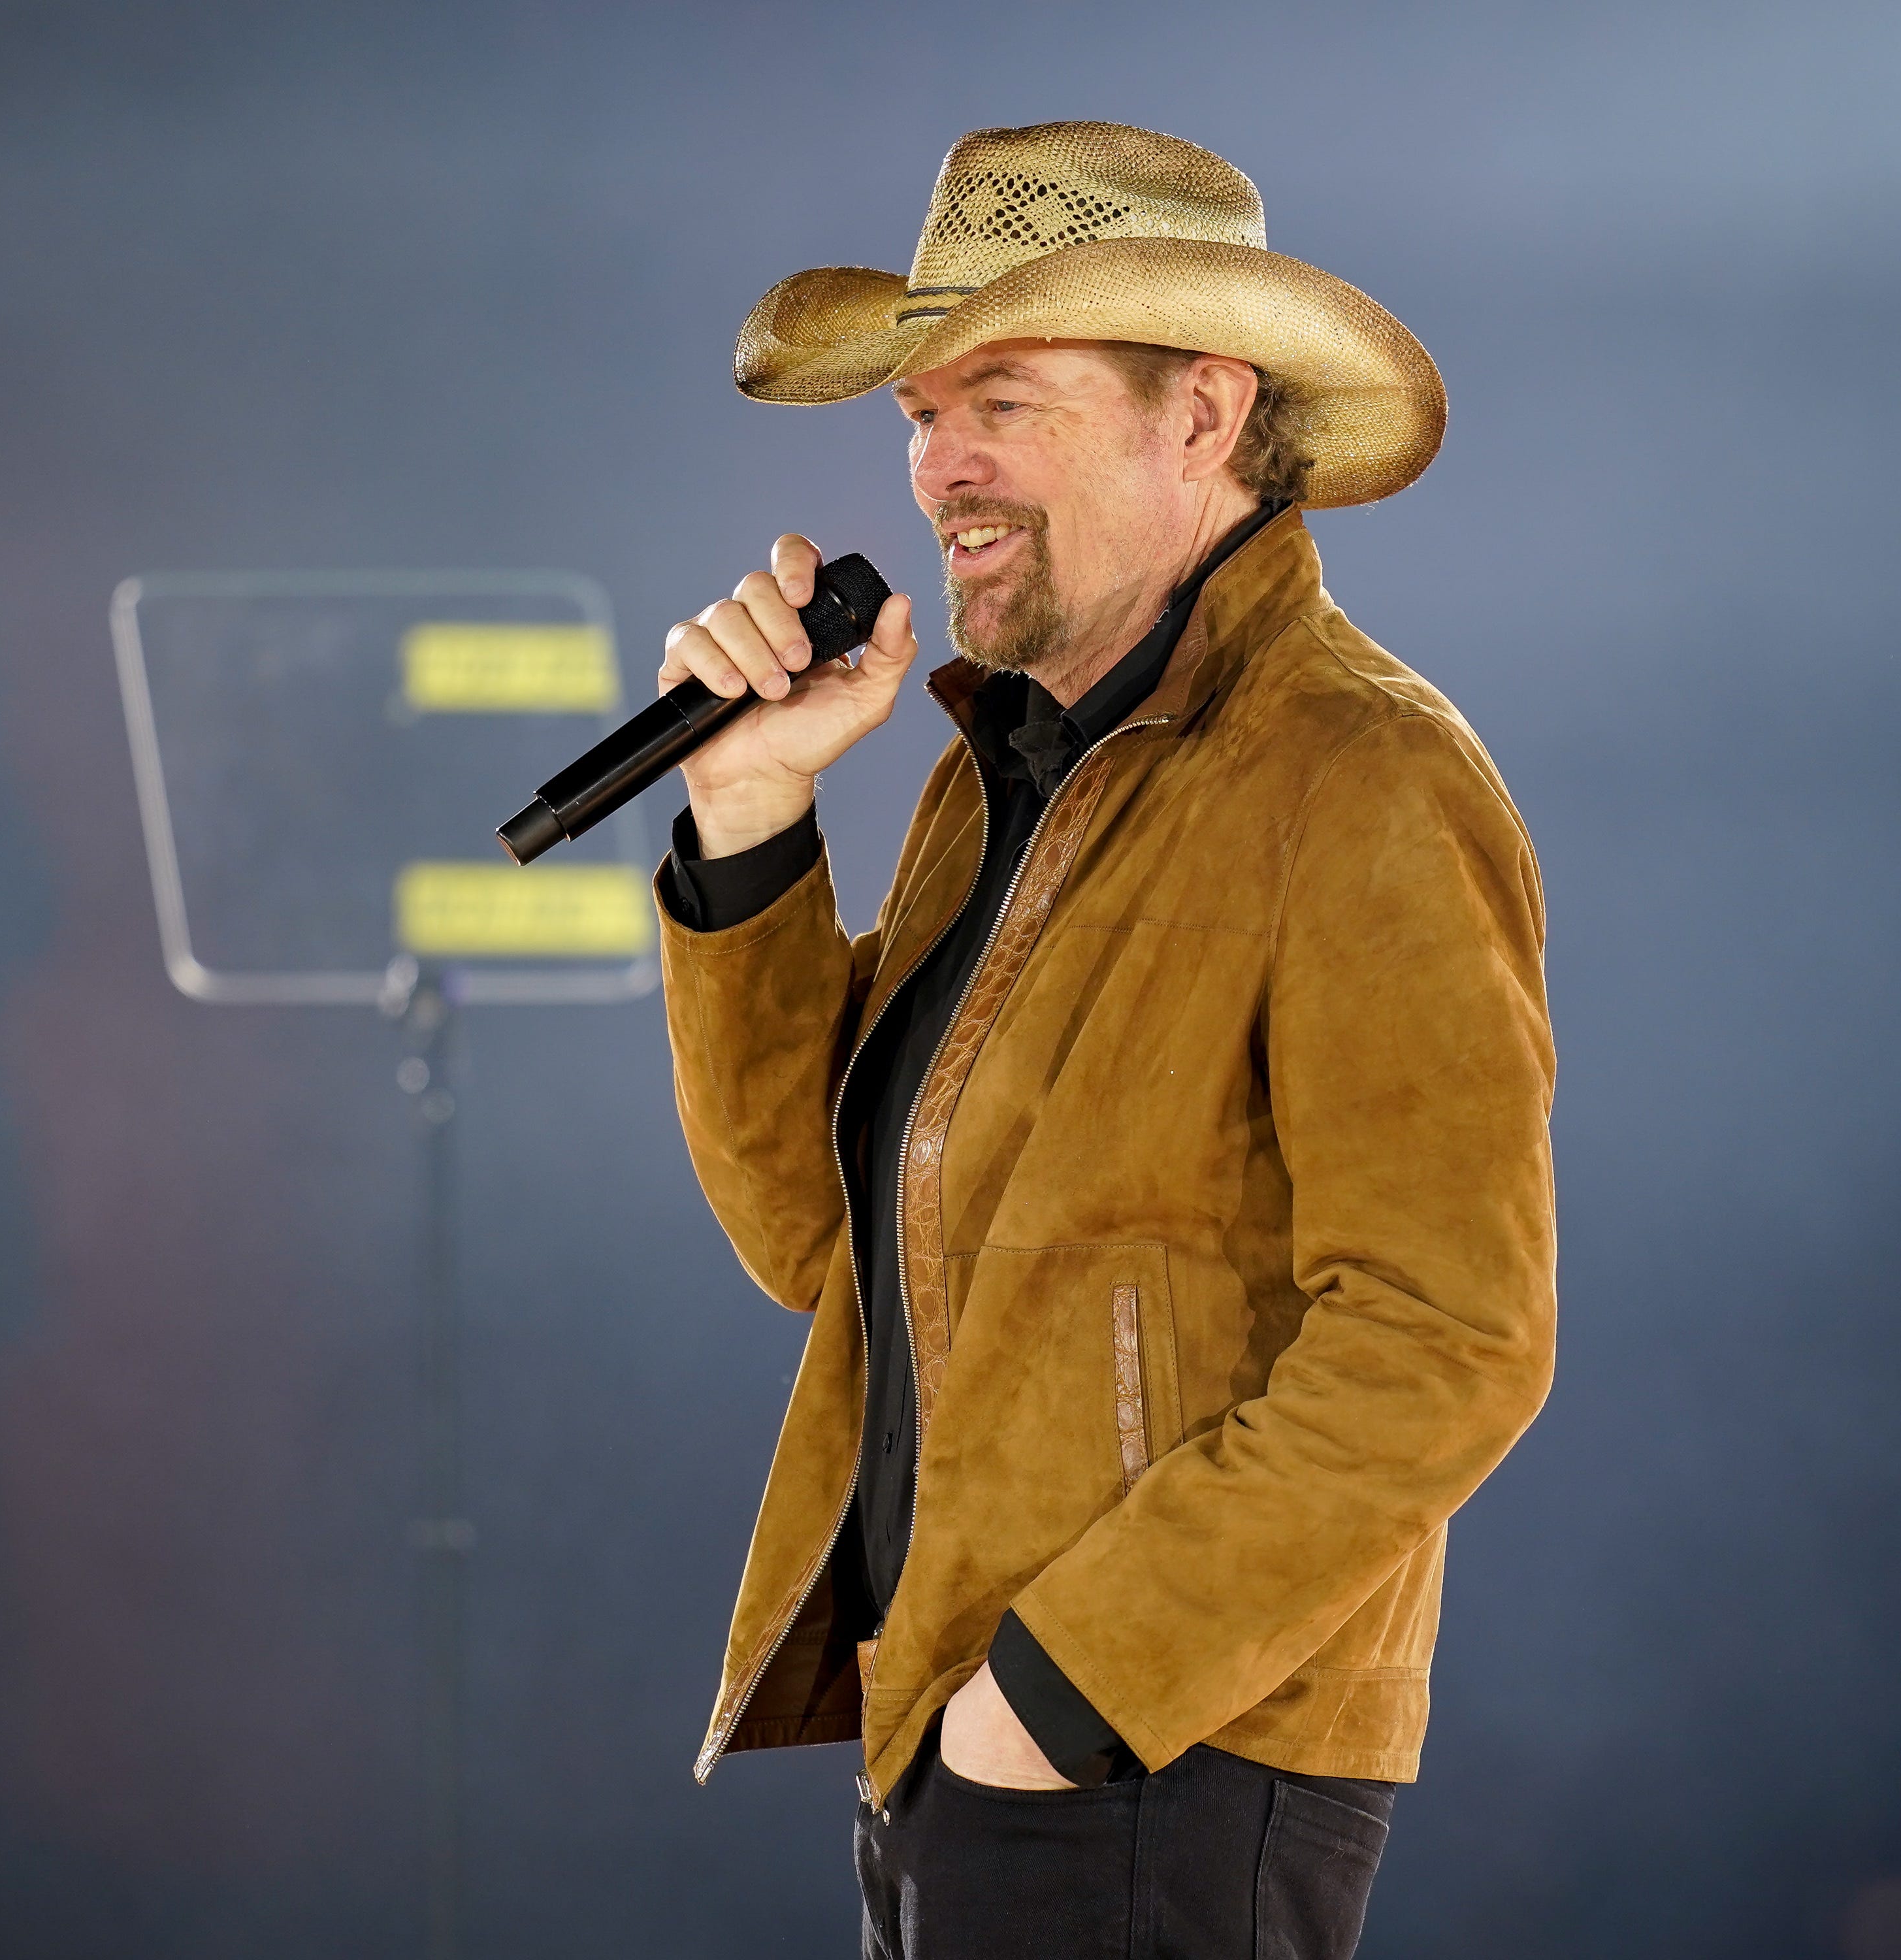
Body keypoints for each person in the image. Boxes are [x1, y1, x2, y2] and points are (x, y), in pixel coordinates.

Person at [651, 122, 1558, 1957]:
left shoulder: (1357, 776)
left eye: (1001, 398)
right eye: (915, 414)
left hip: (1153, 1756)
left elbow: (1448, 1335)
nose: (935, 468)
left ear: (1205, 416)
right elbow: (820, 1253)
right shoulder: (994, 784)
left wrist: (1051, 1699)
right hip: (968, 1739)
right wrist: (746, 818)